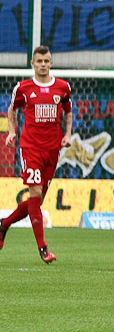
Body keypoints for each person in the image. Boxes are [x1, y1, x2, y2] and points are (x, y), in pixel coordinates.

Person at [0, 46, 72, 264]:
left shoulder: (63, 87)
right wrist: (12, 131)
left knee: (36, 201)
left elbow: (68, 112)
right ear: (32, 64)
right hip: (30, 147)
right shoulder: (23, 88)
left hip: (52, 149)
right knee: (35, 192)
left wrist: (68, 134)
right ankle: (43, 248)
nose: (43, 64)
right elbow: (12, 110)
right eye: (39, 61)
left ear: (51, 63)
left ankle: (3, 224)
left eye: (46, 61)